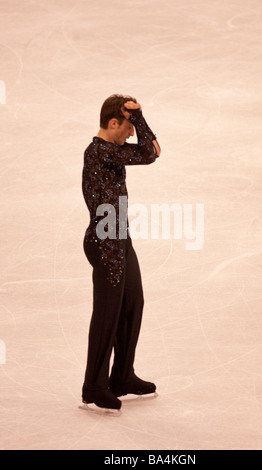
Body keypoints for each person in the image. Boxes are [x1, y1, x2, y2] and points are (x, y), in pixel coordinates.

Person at [81, 94, 161, 411]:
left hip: (119, 237)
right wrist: (138, 118)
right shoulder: (99, 151)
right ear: (113, 123)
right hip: (104, 242)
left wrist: (137, 117)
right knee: (107, 314)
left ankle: (123, 376)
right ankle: (94, 385)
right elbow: (149, 151)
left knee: (132, 302)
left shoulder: (112, 151)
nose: (131, 133)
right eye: (127, 127)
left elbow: (152, 151)